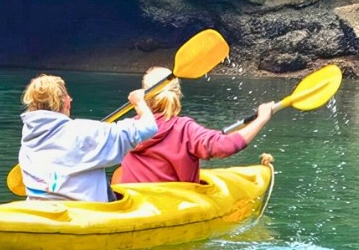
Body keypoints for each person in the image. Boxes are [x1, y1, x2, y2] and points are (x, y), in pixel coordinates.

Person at [116, 67, 277, 184]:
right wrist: (262, 118)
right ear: (178, 93)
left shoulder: (128, 128)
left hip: (134, 203)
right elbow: (226, 146)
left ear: (143, 96)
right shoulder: (185, 129)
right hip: (172, 207)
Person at [19, 74, 158, 202]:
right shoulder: (85, 132)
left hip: (40, 213)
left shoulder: (28, 139)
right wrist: (140, 103)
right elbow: (148, 127)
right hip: (83, 217)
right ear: (67, 103)